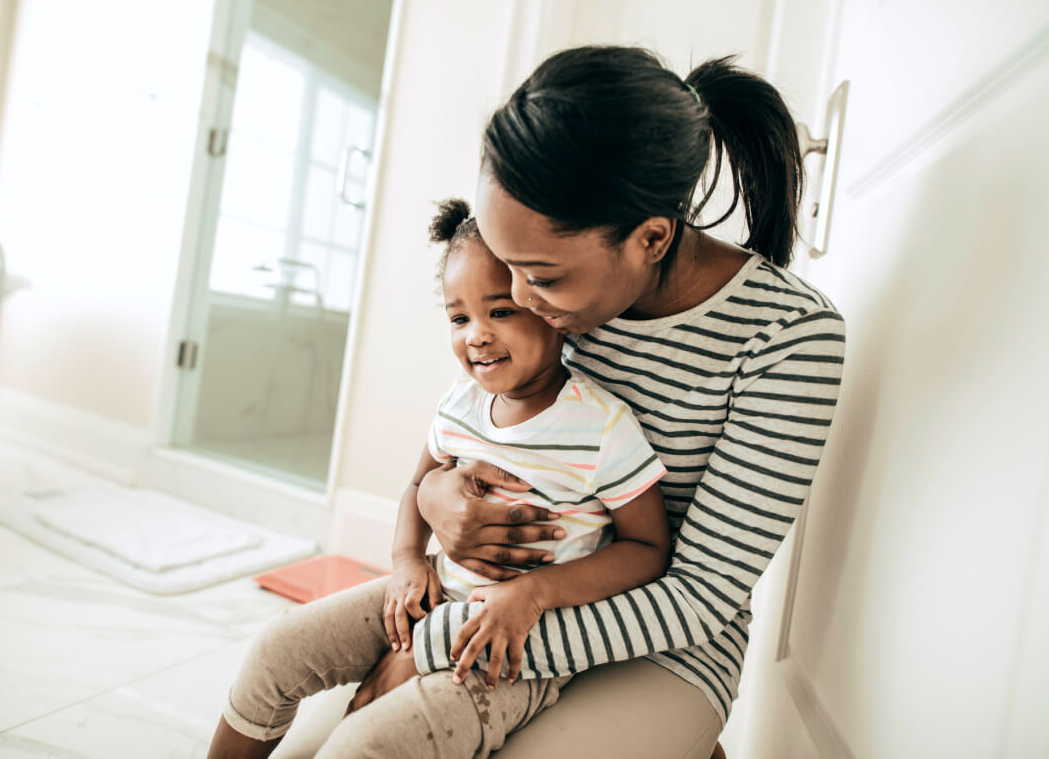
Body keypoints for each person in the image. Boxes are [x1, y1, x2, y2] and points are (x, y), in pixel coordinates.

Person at [354, 47, 847, 757]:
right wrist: (435, 496)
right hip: (485, 599)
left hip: (659, 644)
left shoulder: (789, 339)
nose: (517, 302)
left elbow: (697, 596)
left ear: (651, 239)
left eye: (541, 278)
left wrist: (432, 645)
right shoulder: (564, 302)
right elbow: (469, 435)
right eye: (508, 265)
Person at [207, 198, 673, 759]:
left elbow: (648, 549)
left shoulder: (601, 425)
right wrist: (406, 561)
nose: (476, 335)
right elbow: (415, 488)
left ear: (548, 308)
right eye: (459, 318)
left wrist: (531, 594)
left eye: (500, 311)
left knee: (365, 743)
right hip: (429, 593)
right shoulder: (460, 404)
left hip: (511, 648)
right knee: (274, 649)